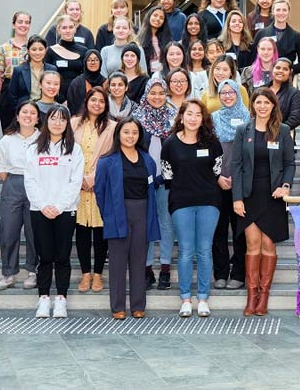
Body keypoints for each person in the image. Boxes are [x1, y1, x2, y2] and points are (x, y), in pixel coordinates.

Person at [232, 87, 296, 316]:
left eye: (266, 103)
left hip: (273, 197)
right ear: (253, 105)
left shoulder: (283, 130)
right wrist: (237, 198)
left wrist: (286, 186)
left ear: (273, 106)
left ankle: (264, 297)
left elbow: (290, 163)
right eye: (258, 102)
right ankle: (251, 297)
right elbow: (236, 166)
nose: (262, 106)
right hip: (249, 197)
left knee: (268, 245)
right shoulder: (243, 130)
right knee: (252, 245)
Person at [161, 100, 224, 318]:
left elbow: (217, 171)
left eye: (198, 114)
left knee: (204, 250)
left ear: (203, 118)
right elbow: (167, 175)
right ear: (181, 116)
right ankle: (186, 298)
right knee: (186, 251)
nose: (193, 118)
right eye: (189, 114)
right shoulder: (169, 144)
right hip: (181, 202)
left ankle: (203, 298)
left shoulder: (212, 142)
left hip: (209, 202)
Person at [96, 117, 160, 319]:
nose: (130, 136)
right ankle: (118, 307)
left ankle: (138, 305)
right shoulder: (107, 161)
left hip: (143, 212)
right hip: (117, 212)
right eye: (126, 132)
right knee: (117, 262)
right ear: (118, 134)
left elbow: (151, 188)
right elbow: (100, 191)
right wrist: (108, 214)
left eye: (134, 132)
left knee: (139, 260)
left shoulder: (147, 159)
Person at [24, 105, 84, 319]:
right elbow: (29, 180)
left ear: (67, 123)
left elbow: (75, 182)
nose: (57, 123)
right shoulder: (33, 149)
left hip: (65, 211)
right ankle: (43, 299)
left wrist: (58, 206)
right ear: (46, 121)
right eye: (53, 118)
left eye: (62, 119)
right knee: (45, 256)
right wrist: (44, 205)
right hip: (39, 210)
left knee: (62, 256)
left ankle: (61, 299)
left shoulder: (75, 150)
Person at [0, 101, 41, 290]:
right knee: (8, 231)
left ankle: (32, 271)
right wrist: (14, 183)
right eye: (24, 112)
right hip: (13, 184)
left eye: (32, 113)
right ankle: (8, 273)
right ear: (18, 116)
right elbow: (1, 169)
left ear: (37, 118)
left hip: (36, 186)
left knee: (33, 231)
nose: (28, 115)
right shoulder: (7, 140)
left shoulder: (43, 139)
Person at [134, 80, 177, 291]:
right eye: (153, 93)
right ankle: (147, 269)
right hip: (143, 181)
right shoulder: (137, 118)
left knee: (166, 224)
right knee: (146, 225)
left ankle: (166, 269)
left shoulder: (175, 117)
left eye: (161, 93)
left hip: (168, 181)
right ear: (146, 94)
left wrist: (165, 175)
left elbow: (179, 151)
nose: (157, 97)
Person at [71, 87, 115, 292]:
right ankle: (85, 274)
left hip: (101, 186)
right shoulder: (73, 124)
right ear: (86, 101)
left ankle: (98, 275)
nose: (97, 104)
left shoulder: (112, 127)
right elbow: (66, 154)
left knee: (99, 233)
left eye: (101, 101)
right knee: (81, 232)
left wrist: (93, 179)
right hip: (77, 187)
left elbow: (112, 158)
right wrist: (79, 179)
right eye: (93, 100)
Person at [210, 80, 249, 291]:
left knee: (240, 231)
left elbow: (251, 155)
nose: (226, 96)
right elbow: (207, 152)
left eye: (230, 92)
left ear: (238, 93)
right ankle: (221, 273)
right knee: (218, 231)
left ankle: (239, 273)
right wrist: (217, 176)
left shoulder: (248, 118)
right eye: (222, 93)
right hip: (218, 183)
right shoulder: (213, 119)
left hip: (240, 183)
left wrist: (237, 178)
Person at [0, 11, 31, 131]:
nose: (23, 25)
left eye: (26, 22)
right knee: (10, 130)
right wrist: (8, 93)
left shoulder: (34, 48)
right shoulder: (2, 49)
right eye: (20, 22)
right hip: (9, 92)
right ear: (13, 25)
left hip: (30, 91)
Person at [253, 0, 300, 76]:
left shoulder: (296, 36)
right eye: (278, 10)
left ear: (288, 12)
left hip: (285, 78)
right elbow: (253, 57)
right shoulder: (262, 33)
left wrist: (289, 69)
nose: (281, 13)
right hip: (263, 75)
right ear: (273, 12)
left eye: (284, 10)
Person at [7, 35, 57, 113]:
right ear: (28, 50)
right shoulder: (19, 70)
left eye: (41, 49)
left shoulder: (52, 69)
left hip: (47, 111)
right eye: (34, 49)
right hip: (26, 112)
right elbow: (12, 96)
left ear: (46, 50)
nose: (37, 53)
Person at [44, 14, 89, 93]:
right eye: (64, 28)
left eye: (71, 27)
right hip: (56, 95)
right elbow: (46, 77)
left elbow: (87, 76)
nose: (68, 31)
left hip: (78, 94)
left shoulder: (84, 51)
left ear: (75, 29)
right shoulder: (50, 51)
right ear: (58, 29)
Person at [268, 58, 300, 134]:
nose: (280, 71)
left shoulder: (294, 93)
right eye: (278, 68)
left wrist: (278, 130)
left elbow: (296, 117)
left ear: (290, 72)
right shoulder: (261, 90)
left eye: (285, 69)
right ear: (272, 70)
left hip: (283, 135)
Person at [66, 49, 105, 115]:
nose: (93, 62)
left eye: (96, 60)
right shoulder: (77, 83)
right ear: (85, 62)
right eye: (89, 60)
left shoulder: (106, 83)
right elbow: (71, 105)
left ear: (100, 62)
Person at [137, 5, 172, 75]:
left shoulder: (167, 39)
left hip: (164, 75)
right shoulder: (139, 39)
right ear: (149, 16)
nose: (158, 19)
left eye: (161, 18)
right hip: (146, 76)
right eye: (155, 15)